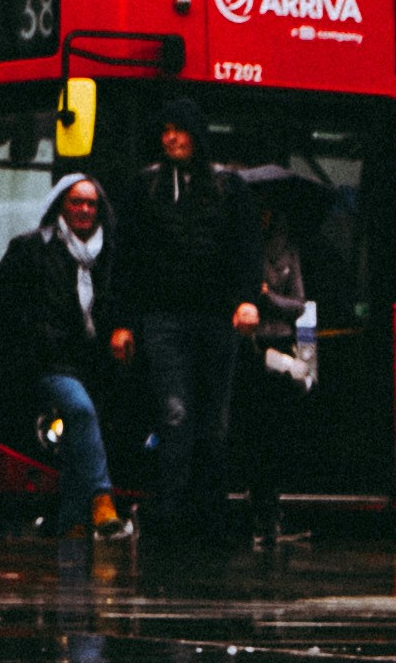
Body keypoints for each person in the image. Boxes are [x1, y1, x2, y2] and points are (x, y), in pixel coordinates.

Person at [113, 116, 258, 550]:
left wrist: (246, 300)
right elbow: (128, 257)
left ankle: (208, 518)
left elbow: (246, 249)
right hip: (165, 319)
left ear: (198, 134)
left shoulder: (228, 187)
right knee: (175, 416)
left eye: (179, 129)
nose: (171, 138)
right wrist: (123, 321)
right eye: (165, 130)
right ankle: (172, 516)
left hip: (215, 319)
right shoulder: (147, 187)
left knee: (213, 422)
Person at [2, 173, 125, 547]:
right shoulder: (32, 248)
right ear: (61, 206)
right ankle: (102, 497)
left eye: (91, 203)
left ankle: (72, 528)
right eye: (76, 202)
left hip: (95, 363)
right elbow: (4, 302)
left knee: (77, 436)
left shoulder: (111, 253)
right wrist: (32, 338)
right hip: (48, 360)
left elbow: (122, 302)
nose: (84, 210)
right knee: (80, 411)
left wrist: (122, 330)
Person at [234, 167, 324, 550]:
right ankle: (259, 516)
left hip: (282, 352)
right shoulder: (239, 250)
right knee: (254, 435)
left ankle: (271, 515)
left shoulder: (288, 250)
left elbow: (299, 304)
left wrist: (267, 297)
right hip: (251, 353)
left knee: (276, 437)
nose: (264, 216)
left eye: (268, 210)